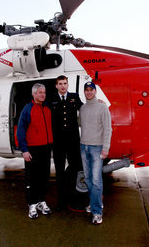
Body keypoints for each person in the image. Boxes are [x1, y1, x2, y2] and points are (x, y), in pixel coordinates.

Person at [17, 83, 53, 219]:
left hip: (46, 148)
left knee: (44, 177)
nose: (42, 95)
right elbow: (21, 130)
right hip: (32, 149)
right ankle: (32, 204)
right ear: (34, 94)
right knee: (32, 177)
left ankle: (41, 201)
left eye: (44, 92)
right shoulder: (27, 109)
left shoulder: (47, 109)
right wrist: (24, 150)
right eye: (39, 92)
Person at [49, 75, 84, 210]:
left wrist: (97, 103)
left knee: (74, 169)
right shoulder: (51, 99)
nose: (63, 86)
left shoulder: (74, 97)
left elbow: (84, 109)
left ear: (67, 84)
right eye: (60, 84)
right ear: (56, 86)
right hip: (58, 142)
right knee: (59, 170)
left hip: (73, 141)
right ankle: (61, 201)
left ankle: (72, 197)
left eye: (65, 83)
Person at [79, 81, 112, 225]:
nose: (89, 92)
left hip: (97, 148)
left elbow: (108, 129)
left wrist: (106, 148)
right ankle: (94, 202)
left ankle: (97, 212)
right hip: (83, 146)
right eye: (86, 90)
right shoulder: (83, 108)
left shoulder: (102, 107)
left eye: (91, 90)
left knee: (97, 180)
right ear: (84, 92)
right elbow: (80, 123)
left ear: (95, 91)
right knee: (88, 179)